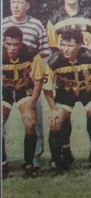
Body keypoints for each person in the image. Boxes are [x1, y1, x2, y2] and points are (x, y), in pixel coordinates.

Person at [43, 29, 91, 174]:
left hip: (88, 91)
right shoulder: (54, 61)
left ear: (79, 45)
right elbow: (47, 88)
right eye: (63, 45)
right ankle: (58, 160)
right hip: (65, 93)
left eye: (70, 45)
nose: (65, 49)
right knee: (55, 121)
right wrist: (53, 109)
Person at [2, 0, 50, 171]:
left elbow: (44, 53)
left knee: (33, 120)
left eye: (19, 2)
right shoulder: (3, 23)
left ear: (27, 5)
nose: (15, 6)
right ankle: (3, 161)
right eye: (13, 2)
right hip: (6, 81)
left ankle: (33, 159)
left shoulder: (36, 25)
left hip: (28, 82)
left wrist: (38, 74)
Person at [2, 27, 45, 178]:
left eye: (16, 44)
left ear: (21, 44)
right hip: (4, 89)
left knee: (30, 122)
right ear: (4, 43)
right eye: (9, 44)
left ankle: (29, 163)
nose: (12, 48)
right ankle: (3, 164)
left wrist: (32, 102)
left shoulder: (32, 54)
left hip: (24, 88)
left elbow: (39, 80)